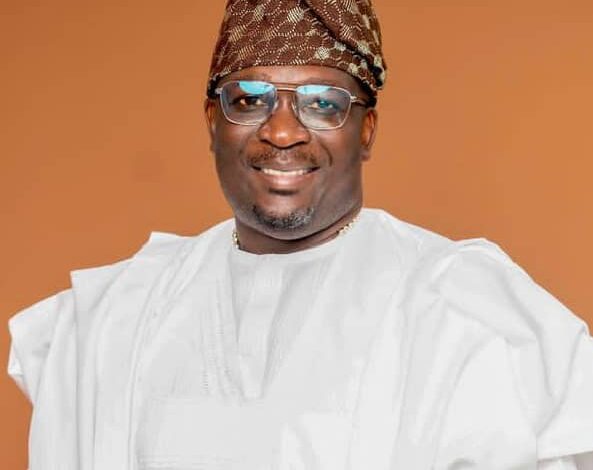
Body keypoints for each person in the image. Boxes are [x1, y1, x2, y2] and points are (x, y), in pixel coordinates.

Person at [8, 0, 593, 468]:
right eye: (250, 99)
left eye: (322, 104)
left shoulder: (463, 312)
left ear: (367, 130)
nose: (283, 132)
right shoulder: (116, 319)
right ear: (213, 123)